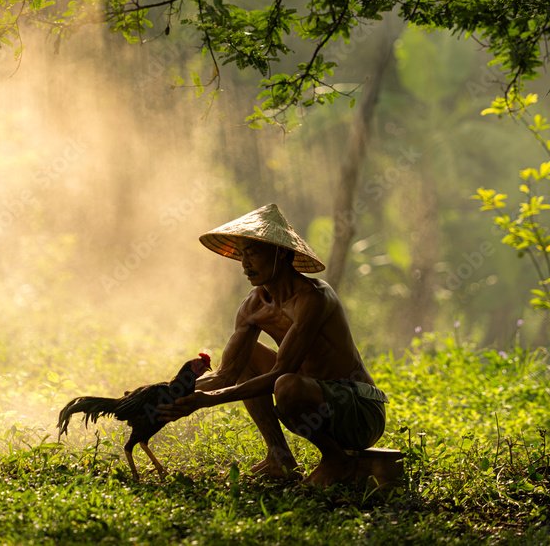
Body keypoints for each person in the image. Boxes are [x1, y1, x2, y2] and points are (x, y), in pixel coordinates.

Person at [158, 203, 388, 486]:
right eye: (242, 254)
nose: (245, 264)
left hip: (358, 409)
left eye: (253, 252)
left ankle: (336, 460)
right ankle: (279, 456)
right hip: (311, 392)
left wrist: (210, 400)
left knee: (286, 385)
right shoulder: (253, 306)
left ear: (281, 253)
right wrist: (163, 394)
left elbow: (281, 373)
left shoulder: (314, 298)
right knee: (248, 356)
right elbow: (225, 374)